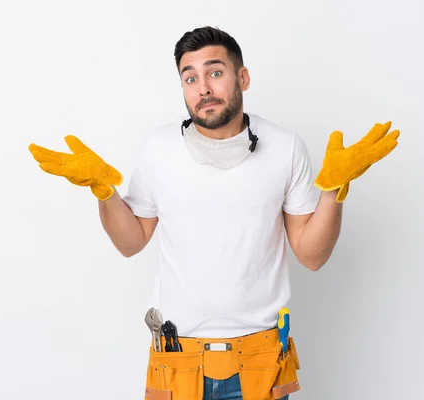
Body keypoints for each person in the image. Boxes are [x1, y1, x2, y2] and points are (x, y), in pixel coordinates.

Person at [28, 26, 399, 400]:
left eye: (215, 73)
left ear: (243, 77)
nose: (203, 87)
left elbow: (312, 255)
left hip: (261, 359)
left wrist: (333, 193)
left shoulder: (285, 148)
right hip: (178, 360)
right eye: (190, 78)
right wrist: (104, 193)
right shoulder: (159, 147)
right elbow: (130, 241)